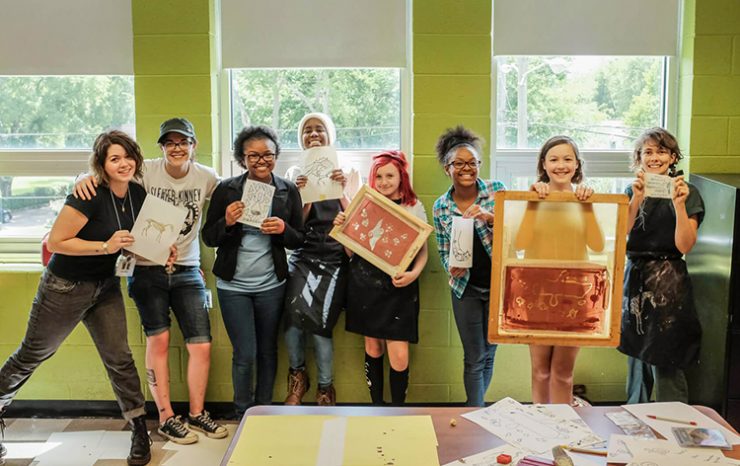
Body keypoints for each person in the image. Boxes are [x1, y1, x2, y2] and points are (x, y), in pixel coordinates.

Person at [0, 131, 170, 466]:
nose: (123, 163)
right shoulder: (88, 193)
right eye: (114, 158)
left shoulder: (136, 193)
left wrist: (162, 251)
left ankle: (139, 429)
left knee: (120, 358)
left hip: (105, 286)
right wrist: (106, 246)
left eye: (128, 156)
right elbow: (57, 242)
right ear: (102, 164)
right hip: (65, 286)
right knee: (32, 355)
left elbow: (134, 242)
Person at [72, 118, 226, 443]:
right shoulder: (146, 171)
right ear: (162, 147)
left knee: (201, 344)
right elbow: (109, 176)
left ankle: (198, 413)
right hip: (145, 269)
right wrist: (82, 177)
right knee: (159, 341)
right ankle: (167, 417)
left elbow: (234, 189)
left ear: (193, 145)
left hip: (187, 269)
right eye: (170, 143)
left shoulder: (207, 177)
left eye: (183, 142)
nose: (177, 148)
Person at [202, 126, 303, 418]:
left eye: (267, 155)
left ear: (276, 156)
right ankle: (243, 412)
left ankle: (264, 409)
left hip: (271, 285)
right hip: (233, 286)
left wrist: (283, 229)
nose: (261, 161)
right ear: (242, 158)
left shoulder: (288, 190)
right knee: (245, 353)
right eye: (253, 156)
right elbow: (209, 238)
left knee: (268, 350)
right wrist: (227, 221)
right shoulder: (227, 189)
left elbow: (299, 238)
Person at [514, 135, 604, 405]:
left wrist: (587, 206)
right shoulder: (533, 197)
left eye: (567, 159)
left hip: (575, 294)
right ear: (543, 164)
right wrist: (533, 202)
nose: (561, 165)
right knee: (541, 371)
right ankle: (541, 425)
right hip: (537, 292)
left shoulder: (583, 199)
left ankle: (563, 426)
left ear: (577, 164)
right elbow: (520, 243)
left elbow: (597, 245)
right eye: (553, 159)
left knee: (563, 374)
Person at [333, 151, 428, 406]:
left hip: (399, 286)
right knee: (373, 348)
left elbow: (422, 250)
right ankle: (376, 407)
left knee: (399, 355)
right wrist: (344, 227)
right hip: (365, 284)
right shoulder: (364, 204)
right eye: (379, 176)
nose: (384, 182)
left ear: (401, 177)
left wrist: (414, 274)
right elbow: (352, 253)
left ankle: (397, 410)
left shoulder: (413, 206)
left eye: (390, 176)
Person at [617, 127, 704, 404]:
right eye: (648, 152)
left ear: (673, 157)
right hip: (636, 277)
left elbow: (685, 246)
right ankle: (634, 416)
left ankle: (674, 419)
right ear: (639, 158)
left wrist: (679, 205)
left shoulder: (689, 193)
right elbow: (621, 233)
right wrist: (637, 198)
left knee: (666, 355)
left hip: (669, 279)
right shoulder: (631, 190)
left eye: (662, 152)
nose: (655, 158)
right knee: (636, 355)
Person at [432, 126, 506, 407]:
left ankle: (477, 409)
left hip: (498, 286)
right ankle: (476, 413)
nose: (467, 168)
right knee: (474, 356)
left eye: (472, 163)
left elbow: (515, 234)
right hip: (465, 288)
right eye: (459, 163)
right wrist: (450, 267)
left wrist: (490, 217)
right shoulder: (441, 206)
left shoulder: (497, 191)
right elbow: (443, 249)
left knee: (489, 353)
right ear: (447, 168)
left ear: (479, 165)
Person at [282, 112, 348, 406]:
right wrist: (303, 194)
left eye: (319, 129)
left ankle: (325, 389)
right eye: (307, 130)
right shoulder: (294, 174)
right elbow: (293, 226)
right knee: (293, 318)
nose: (313, 134)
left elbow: (356, 219)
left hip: (334, 255)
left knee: (322, 325)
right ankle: (298, 378)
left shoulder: (346, 170)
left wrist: (343, 189)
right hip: (304, 253)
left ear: (329, 135)